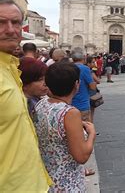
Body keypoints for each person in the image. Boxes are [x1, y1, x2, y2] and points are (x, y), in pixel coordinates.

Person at [0, 0, 52, 191]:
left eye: (15, 22)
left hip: (31, 182)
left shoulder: (10, 67)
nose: (11, 29)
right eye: (1, 22)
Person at [34, 61, 96, 191]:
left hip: (45, 175)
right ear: (76, 85)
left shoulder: (41, 103)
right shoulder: (70, 113)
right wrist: (91, 134)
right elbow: (81, 156)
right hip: (66, 182)